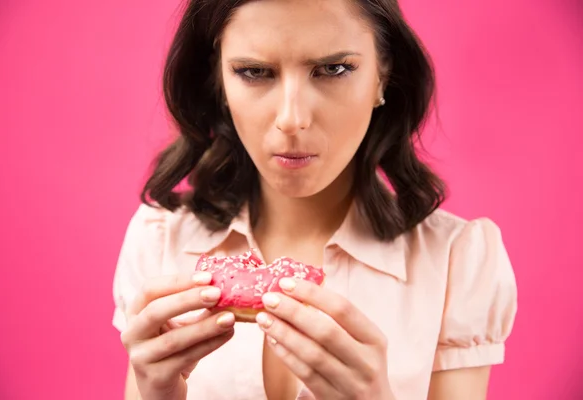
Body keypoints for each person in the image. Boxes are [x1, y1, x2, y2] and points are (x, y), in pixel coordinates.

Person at [111, 0, 518, 399]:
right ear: (218, 79)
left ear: (383, 75)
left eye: (333, 69)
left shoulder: (455, 264)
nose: (292, 118)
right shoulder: (158, 242)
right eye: (254, 72)